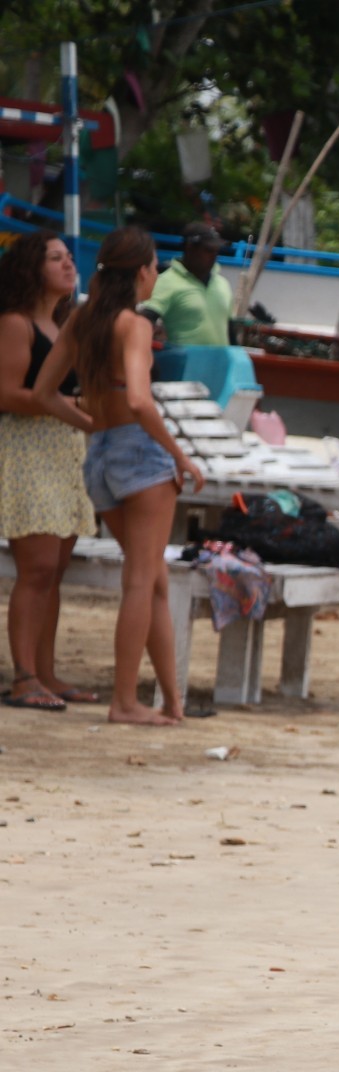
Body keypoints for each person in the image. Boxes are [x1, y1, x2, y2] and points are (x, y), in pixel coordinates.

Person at [33, 226, 205, 725]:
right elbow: (138, 397)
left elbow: (46, 394)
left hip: (101, 455)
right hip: (139, 452)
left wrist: (92, 425)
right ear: (144, 271)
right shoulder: (135, 324)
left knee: (152, 580)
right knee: (141, 580)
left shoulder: (82, 319)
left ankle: (170, 700)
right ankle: (125, 701)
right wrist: (180, 456)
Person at [0, 230, 96, 712]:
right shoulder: (17, 324)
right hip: (27, 449)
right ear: (31, 268)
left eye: (68, 258)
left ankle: (47, 671)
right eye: (54, 258)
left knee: (54, 569)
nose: (67, 265)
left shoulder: (63, 325)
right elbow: (6, 392)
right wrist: (68, 404)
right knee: (36, 568)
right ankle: (23, 676)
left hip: (64, 452)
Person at [140, 221, 233, 348]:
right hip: (184, 366)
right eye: (208, 250)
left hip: (221, 366)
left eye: (216, 251)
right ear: (190, 247)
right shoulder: (167, 281)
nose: (213, 256)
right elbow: (143, 322)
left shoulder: (223, 284)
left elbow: (230, 331)